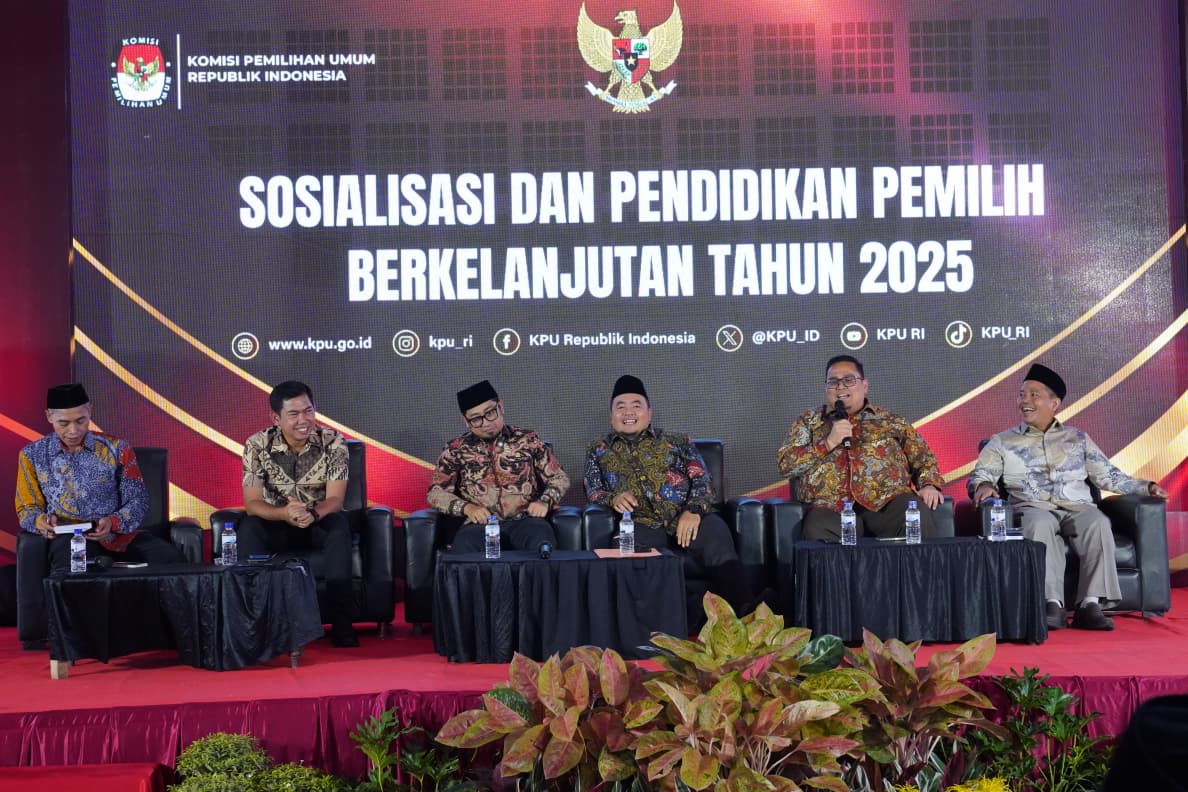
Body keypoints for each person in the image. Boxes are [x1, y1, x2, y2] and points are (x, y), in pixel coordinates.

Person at [968, 363, 1169, 631]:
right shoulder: (1002, 441)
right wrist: (983, 486)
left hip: (1077, 506)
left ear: (1054, 404)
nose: (1024, 401)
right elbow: (982, 474)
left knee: (1098, 522)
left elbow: (1108, 476)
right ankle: (1051, 604)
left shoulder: (1077, 438)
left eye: (1034, 395)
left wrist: (1146, 487)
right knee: (1038, 524)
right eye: (1021, 395)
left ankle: (1090, 604)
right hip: (1033, 506)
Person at [583, 375, 758, 615]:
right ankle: (661, 624)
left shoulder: (678, 442)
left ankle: (746, 615)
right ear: (611, 416)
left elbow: (702, 480)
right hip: (639, 523)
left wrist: (694, 510)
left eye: (636, 405)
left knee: (717, 539)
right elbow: (593, 490)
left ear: (649, 413)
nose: (628, 412)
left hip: (690, 517)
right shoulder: (598, 450)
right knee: (627, 555)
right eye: (620, 407)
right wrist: (612, 498)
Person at [15, 383, 184, 573]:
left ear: (90, 411)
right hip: (68, 538)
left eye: (81, 421)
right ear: (49, 416)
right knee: (75, 569)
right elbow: (27, 508)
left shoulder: (118, 448)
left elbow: (138, 500)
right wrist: (40, 521)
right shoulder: (32, 455)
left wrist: (112, 522)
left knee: (170, 559)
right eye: (63, 423)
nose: (73, 430)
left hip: (117, 535)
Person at [239, 380, 358, 647]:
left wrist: (311, 515)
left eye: (308, 411)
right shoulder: (257, 444)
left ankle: (343, 627)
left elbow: (335, 499)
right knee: (249, 527)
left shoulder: (333, 441)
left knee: (338, 526)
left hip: (317, 520)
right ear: (276, 418)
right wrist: (284, 513)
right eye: (293, 414)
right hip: (277, 522)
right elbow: (252, 502)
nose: (303, 420)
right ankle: (253, 625)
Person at [776, 355, 946, 541]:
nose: (840, 387)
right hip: (830, 507)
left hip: (887, 502)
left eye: (848, 380)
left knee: (915, 516)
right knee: (817, 528)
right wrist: (828, 443)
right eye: (833, 382)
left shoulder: (891, 421)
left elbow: (924, 459)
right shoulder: (808, 422)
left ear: (865, 385)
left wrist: (929, 484)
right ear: (826, 388)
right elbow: (786, 465)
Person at [428, 380, 568, 554]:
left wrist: (545, 501)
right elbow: (435, 493)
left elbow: (559, 478)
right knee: (465, 547)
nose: (486, 423)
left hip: (525, 520)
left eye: (490, 413)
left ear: (501, 407)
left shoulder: (528, 440)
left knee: (541, 542)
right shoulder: (455, 450)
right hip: (480, 525)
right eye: (476, 419)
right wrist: (467, 508)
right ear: (465, 421)